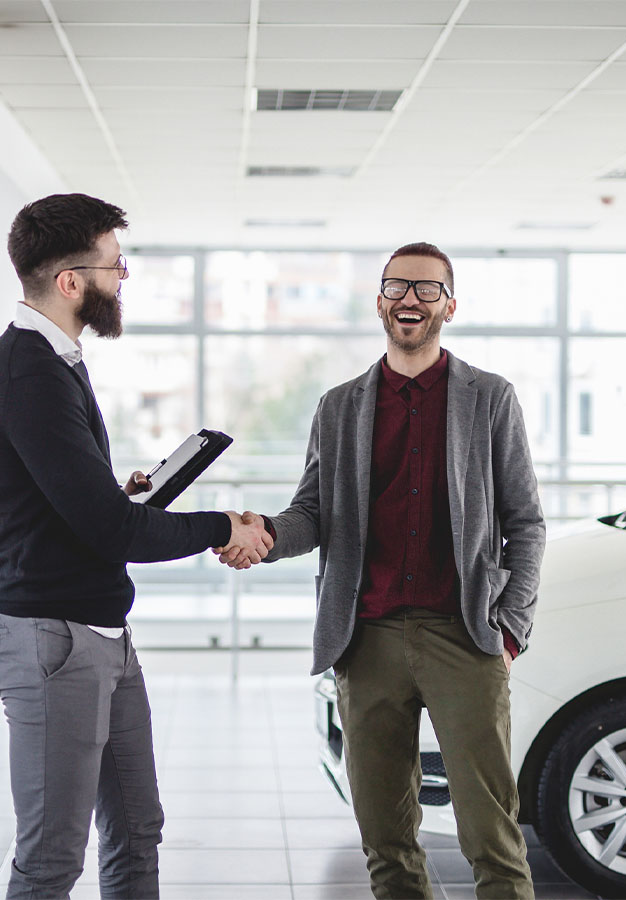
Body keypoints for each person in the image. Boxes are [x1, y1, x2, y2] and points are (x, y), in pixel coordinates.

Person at [0, 192, 271, 900]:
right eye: (115, 266)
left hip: (99, 633)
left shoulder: (56, 359)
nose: (122, 279)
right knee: (51, 859)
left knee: (138, 830)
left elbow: (76, 506)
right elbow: (112, 533)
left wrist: (121, 492)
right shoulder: (29, 373)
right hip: (53, 640)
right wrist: (222, 526)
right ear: (71, 281)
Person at [219, 242, 544, 899]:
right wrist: (267, 534)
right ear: (378, 301)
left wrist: (509, 630)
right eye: (397, 287)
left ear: (450, 306)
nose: (410, 300)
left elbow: (527, 524)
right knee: (386, 846)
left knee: (493, 840)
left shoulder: (490, 398)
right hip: (365, 642)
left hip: (465, 637)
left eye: (427, 290)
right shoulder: (339, 407)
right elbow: (313, 513)